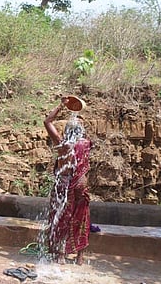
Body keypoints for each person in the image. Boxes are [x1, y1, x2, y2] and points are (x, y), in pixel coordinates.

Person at [43, 96, 92, 265]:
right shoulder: (86, 143)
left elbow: (47, 121)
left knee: (61, 217)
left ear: (66, 131)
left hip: (63, 186)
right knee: (81, 219)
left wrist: (61, 105)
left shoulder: (61, 143)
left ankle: (60, 255)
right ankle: (80, 257)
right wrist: (80, 117)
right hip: (80, 187)